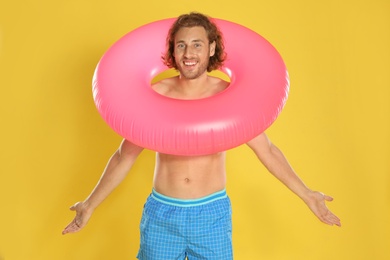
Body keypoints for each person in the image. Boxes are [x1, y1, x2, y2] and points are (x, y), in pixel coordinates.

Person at [62, 12, 341, 259]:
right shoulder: (158, 96)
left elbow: (267, 150)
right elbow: (124, 156)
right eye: (181, 45)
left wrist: (307, 194)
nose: (188, 53)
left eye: (197, 44)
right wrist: (89, 204)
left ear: (211, 48)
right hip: (162, 213)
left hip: (212, 215)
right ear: (173, 50)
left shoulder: (226, 97)